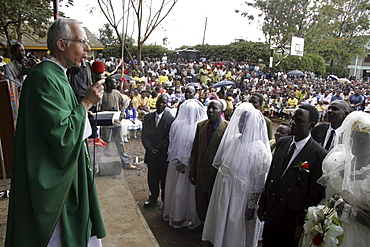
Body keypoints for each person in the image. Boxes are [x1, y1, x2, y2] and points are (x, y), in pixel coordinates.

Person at [5, 18, 106, 246]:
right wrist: (87, 103)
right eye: (82, 42)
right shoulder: (44, 78)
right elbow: (61, 136)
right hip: (54, 182)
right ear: (61, 44)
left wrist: (81, 110)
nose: (87, 49)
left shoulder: (57, 74)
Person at [202, 102, 272, 247]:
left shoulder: (259, 151)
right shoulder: (235, 140)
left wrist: (252, 205)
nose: (239, 124)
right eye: (239, 121)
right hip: (225, 191)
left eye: (243, 122)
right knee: (222, 223)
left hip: (241, 197)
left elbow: (259, 182)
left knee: (237, 229)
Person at [257, 104, 328, 247]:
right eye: (293, 119)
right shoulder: (283, 143)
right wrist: (263, 203)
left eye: (300, 120)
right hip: (272, 211)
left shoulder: (318, 154)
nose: (293, 123)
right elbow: (272, 175)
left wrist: (301, 224)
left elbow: (313, 194)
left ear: (311, 125)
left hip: (292, 218)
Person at [315, 111, 370, 247]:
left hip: (357, 235)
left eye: (363, 141)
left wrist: (348, 210)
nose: (356, 145)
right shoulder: (336, 164)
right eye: (353, 140)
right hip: (328, 230)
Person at [163, 99, 207, 229]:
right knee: (184, 192)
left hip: (180, 164)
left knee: (178, 189)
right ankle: (181, 216)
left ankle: (177, 214)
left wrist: (179, 160)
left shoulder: (184, 125)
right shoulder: (195, 126)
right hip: (184, 164)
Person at [189, 100, 228, 222]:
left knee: (214, 205)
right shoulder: (201, 126)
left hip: (215, 175)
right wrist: (192, 170)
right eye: (209, 108)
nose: (210, 111)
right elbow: (195, 150)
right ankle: (202, 227)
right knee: (201, 204)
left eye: (214, 109)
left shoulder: (227, 128)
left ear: (221, 112)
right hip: (200, 172)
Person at [142, 94, 175, 208]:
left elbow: (168, 138)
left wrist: (158, 148)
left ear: (167, 104)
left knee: (164, 179)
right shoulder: (148, 117)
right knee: (152, 178)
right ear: (156, 102)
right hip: (151, 154)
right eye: (159, 102)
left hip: (162, 155)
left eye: (164, 103)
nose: (161, 104)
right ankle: (153, 198)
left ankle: (165, 201)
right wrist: (150, 149)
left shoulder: (170, 119)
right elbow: (144, 136)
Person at [100, 76, 137, 170]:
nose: (115, 84)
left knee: (120, 143)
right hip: (106, 123)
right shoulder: (102, 94)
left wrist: (122, 113)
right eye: (114, 83)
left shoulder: (117, 93)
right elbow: (97, 106)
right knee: (105, 142)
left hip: (117, 123)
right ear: (108, 84)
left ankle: (126, 163)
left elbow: (124, 103)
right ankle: (104, 164)